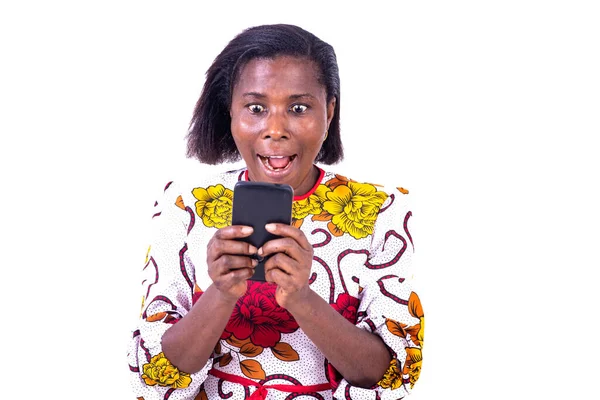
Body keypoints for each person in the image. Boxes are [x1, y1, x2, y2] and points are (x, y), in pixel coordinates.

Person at [127, 24, 424, 400]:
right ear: (230, 112)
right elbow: (154, 377)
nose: (276, 129)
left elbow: (389, 375)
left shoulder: (382, 210)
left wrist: (301, 297)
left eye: (299, 108)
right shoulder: (187, 203)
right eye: (256, 108)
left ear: (329, 110)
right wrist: (220, 293)